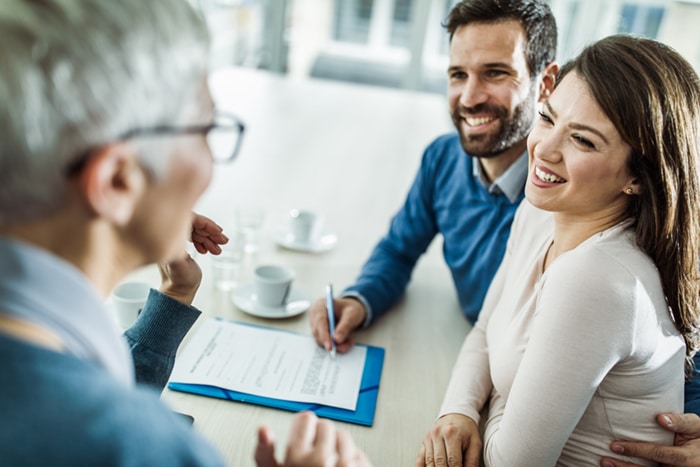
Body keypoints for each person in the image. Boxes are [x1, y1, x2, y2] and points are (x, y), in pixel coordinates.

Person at [309, 1, 700, 463]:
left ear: (543, 81)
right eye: (457, 74)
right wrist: (361, 300)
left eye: (495, 73)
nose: (470, 96)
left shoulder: (585, 215)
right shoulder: (531, 200)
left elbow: (673, 334)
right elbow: (406, 253)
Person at [0, 0, 369, 466]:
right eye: (203, 131)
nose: (210, 166)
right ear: (117, 179)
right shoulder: (150, 448)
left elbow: (92, 398)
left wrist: (174, 296)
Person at [417, 34, 700, 466]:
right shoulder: (541, 212)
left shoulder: (598, 277)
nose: (544, 150)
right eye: (548, 118)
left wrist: (488, 407)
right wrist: (458, 410)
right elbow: (486, 327)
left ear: (638, 178)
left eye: (583, 141)